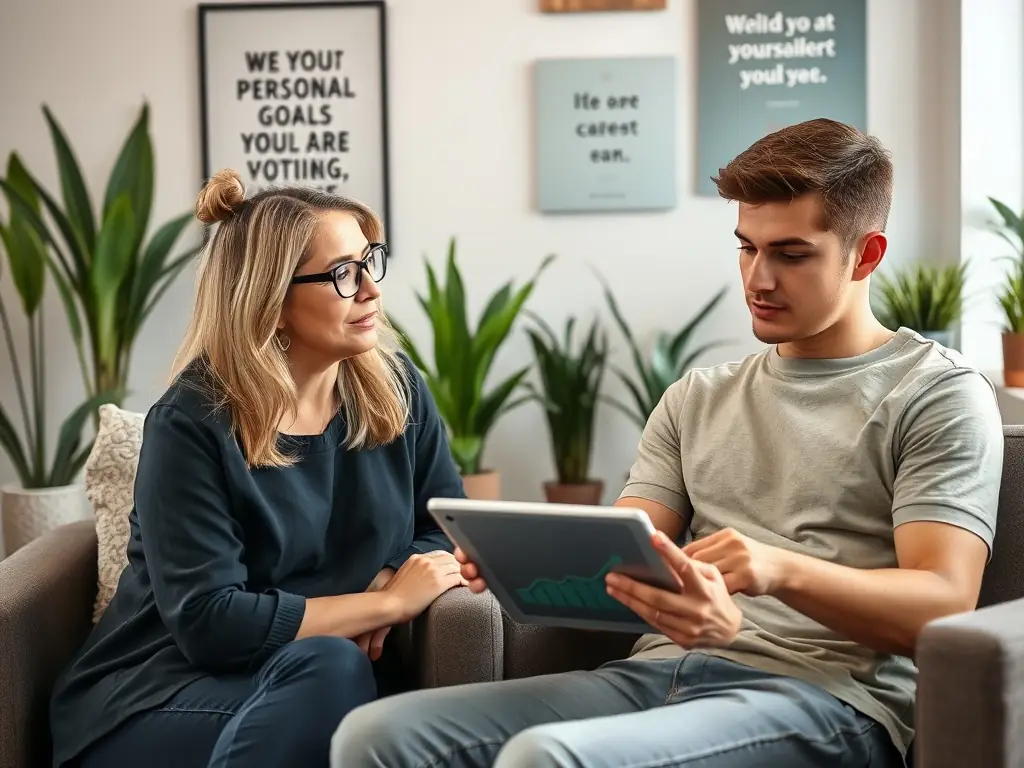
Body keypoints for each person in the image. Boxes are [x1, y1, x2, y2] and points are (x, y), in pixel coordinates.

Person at [330, 118, 1005, 768]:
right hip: (660, 676)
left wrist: (777, 569)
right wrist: (520, 565)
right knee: (377, 735)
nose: (757, 279)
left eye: (791, 254)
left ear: (867, 254)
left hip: (826, 699)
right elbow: (629, 560)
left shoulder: (934, 393)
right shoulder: (697, 396)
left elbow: (942, 604)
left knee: (548, 757)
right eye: (747, 246)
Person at [49, 169, 469, 768]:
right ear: (271, 302)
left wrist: (387, 575)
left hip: (317, 681)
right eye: (343, 274)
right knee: (334, 671)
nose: (371, 289)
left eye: (369, 261)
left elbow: (449, 526)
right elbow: (209, 620)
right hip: (161, 692)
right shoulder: (192, 421)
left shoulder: (399, 393)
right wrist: (385, 606)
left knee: (334, 674)